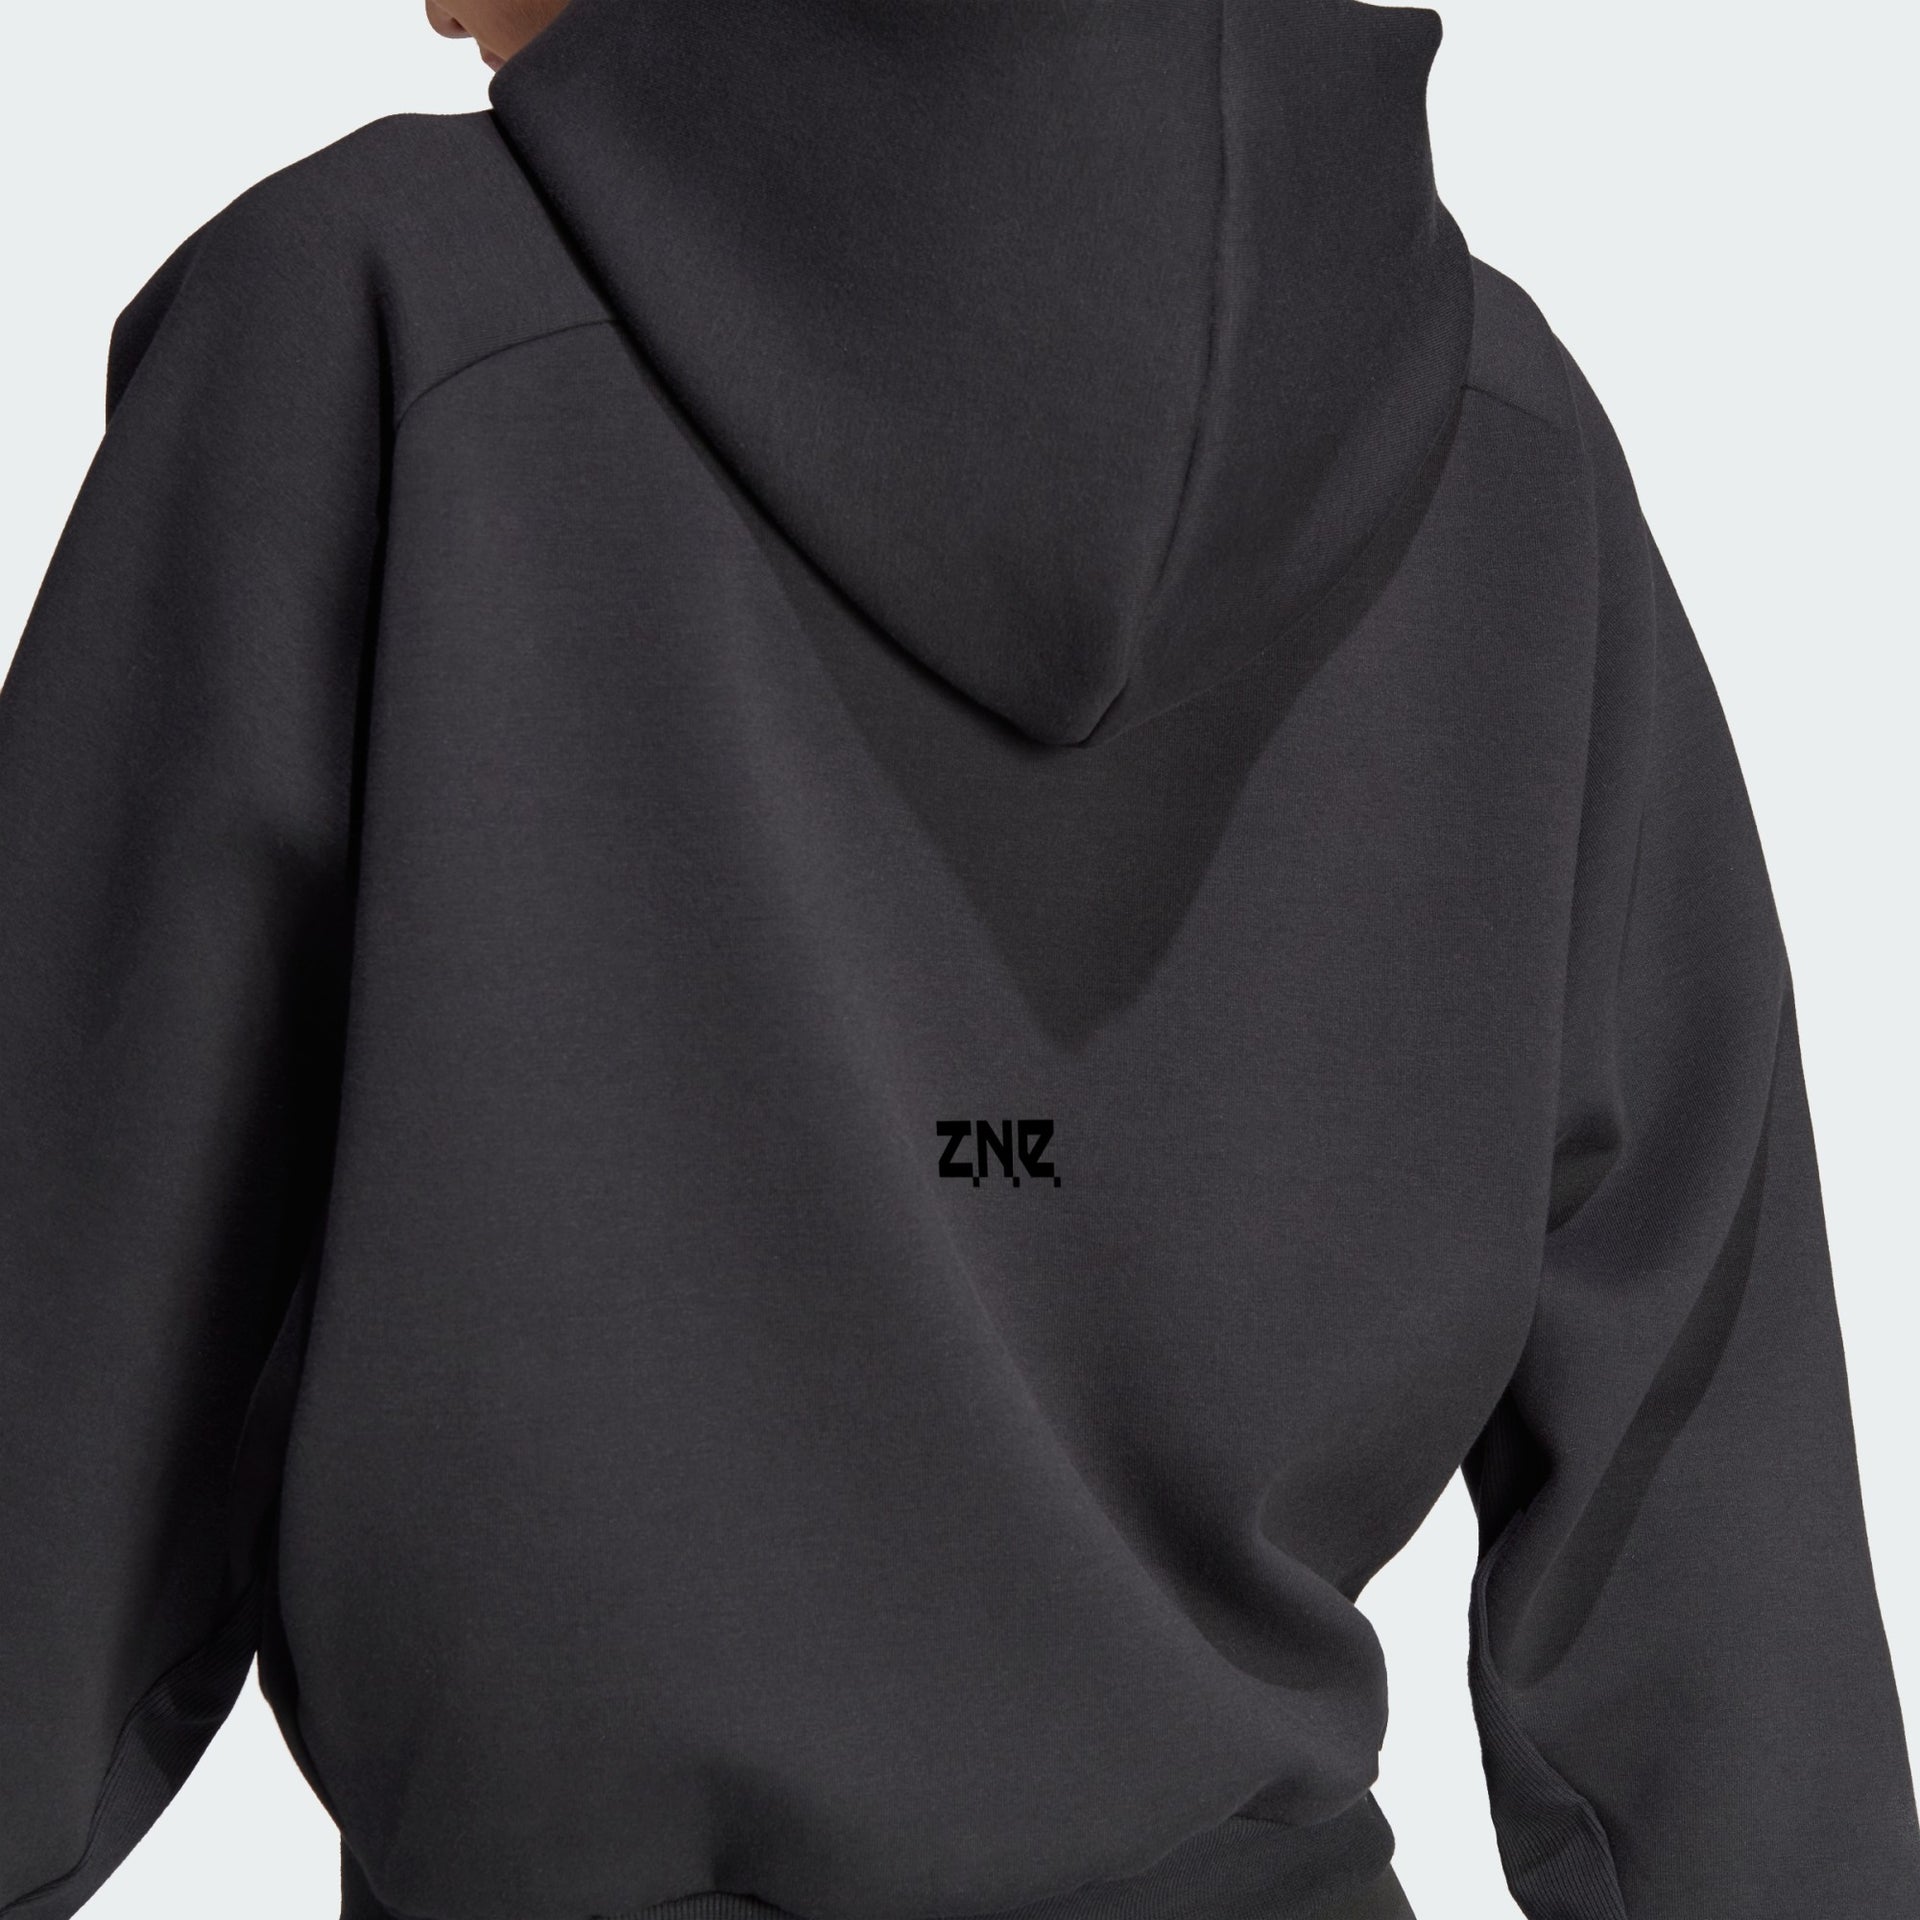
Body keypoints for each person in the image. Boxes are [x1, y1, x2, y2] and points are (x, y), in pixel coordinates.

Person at [1, 2, 1915, 1917]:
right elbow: (1713, 1515)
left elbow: (66, 1322)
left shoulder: (372, 326)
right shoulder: (1505, 438)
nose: (424, 3)